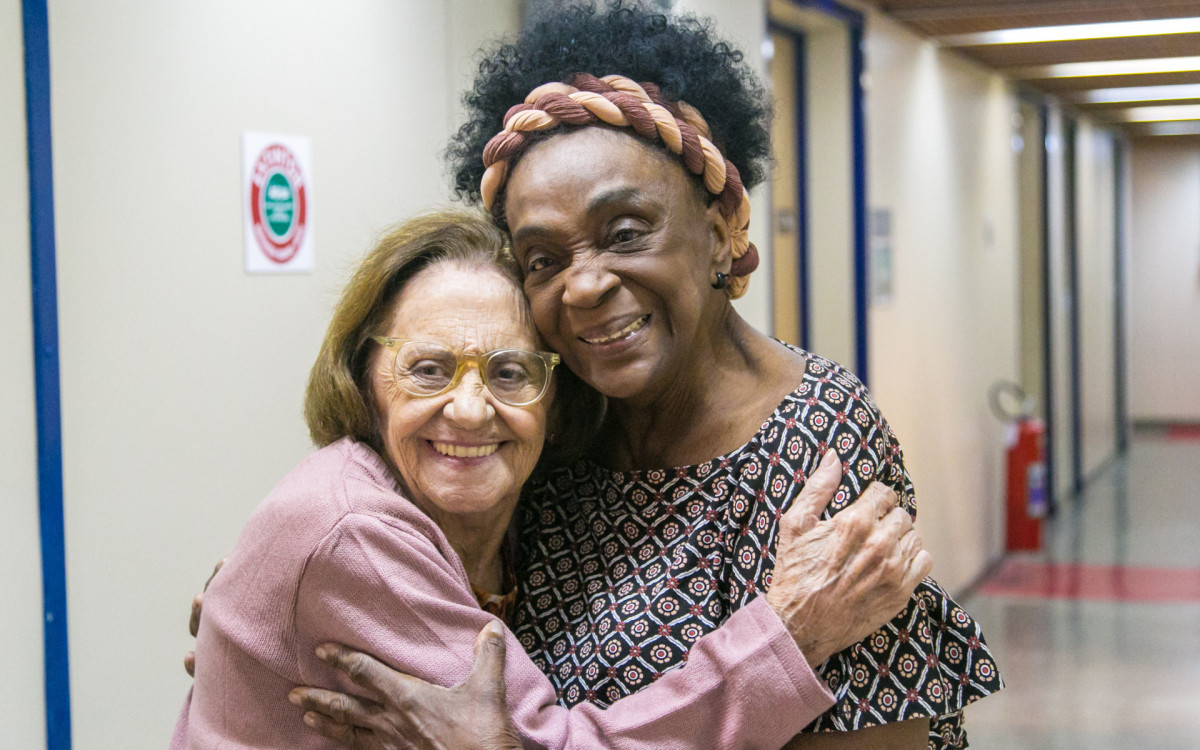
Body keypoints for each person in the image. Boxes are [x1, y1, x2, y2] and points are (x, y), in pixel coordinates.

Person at [286, 4, 1003, 749]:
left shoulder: (814, 448)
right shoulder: (556, 429)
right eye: (543, 259)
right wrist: (282, 592)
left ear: (721, 230)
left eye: (626, 233)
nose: (584, 285)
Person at [173, 210, 930, 750]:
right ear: (364, 377)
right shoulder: (355, 530)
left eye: (510, 372)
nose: (471, 410)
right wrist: (787, 635)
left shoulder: (529, 504)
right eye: (428, 369)